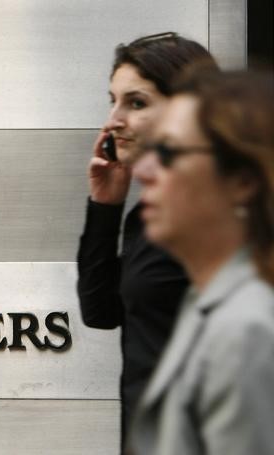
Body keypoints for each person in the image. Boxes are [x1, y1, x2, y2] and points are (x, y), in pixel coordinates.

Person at [76, 32, 217, 446]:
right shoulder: (150, 216)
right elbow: (101, 311)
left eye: (136, 103)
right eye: (113, 100)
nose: (113, 120)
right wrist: (106, 205)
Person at [130, 70, 274, 454]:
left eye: (167, 153)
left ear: (243, 181)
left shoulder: (247, 329)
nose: (143, 173)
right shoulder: (208, 300)